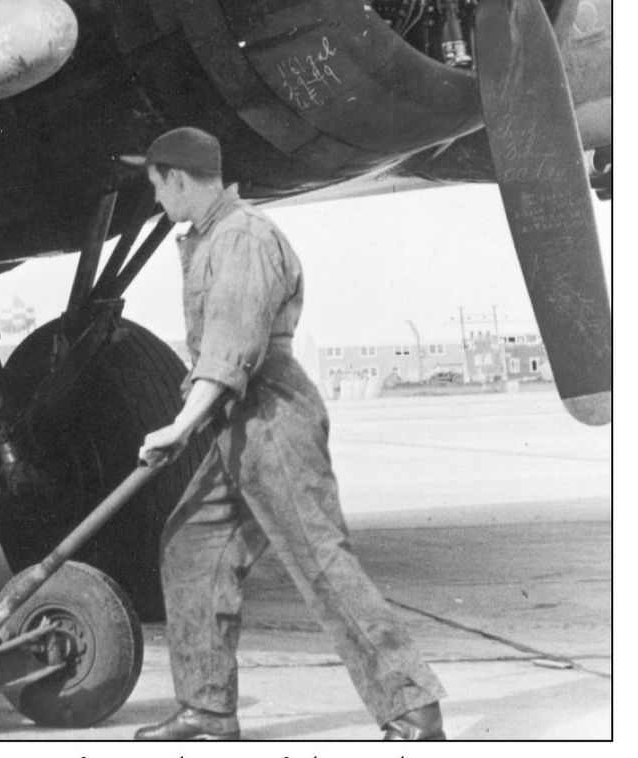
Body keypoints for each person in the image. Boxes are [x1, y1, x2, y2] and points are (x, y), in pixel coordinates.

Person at [126, 127, 445, 744]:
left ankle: (412, 706)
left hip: (273, 417)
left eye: (157, 186)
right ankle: (208, 709)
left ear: (179, 178)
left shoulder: (244, 236)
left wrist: (180, 426)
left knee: (320, 560)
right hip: (237, 423)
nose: (157, 201)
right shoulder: (213, 235)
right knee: (192, 549)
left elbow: (231, 347)